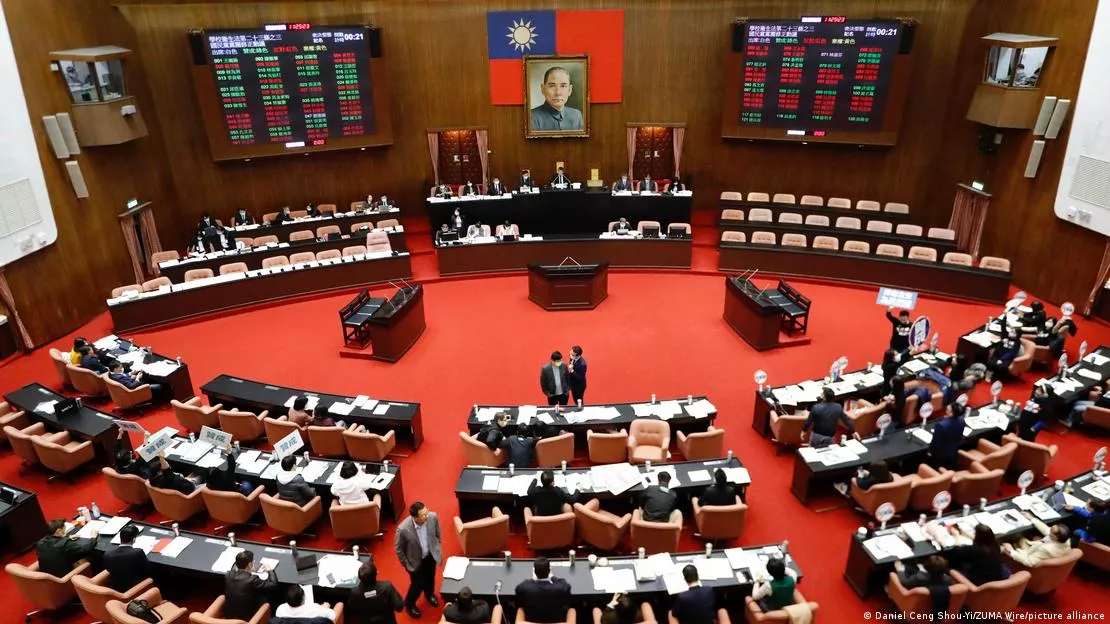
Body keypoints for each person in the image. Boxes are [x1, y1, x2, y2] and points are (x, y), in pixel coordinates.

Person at [394, 501, 442, 619]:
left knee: (430, 576)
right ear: (415, 517)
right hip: (415, 561)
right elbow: (399, 549)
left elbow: (437, 534)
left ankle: (429, 594)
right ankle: (409, 604)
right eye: (423, 515)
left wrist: (436, 548)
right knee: (417, 584)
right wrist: (406, 564)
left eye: (427, 512)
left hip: (430, 556)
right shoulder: (403, 529)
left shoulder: (432, 517)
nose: (427, 516)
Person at [945, 524, 1011, 585]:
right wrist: (967, 534)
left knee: (954, 563)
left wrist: (956, 536)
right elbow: (983, 540)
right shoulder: (995, 544)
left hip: (982, 579)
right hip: (998, 573)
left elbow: (957, 550)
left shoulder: (975, 550)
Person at [514, 557, 572, 623]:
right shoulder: (560, 588)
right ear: (549, 571)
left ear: (534, 572)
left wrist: (533, 579)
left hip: (532, 619)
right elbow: (566, 586)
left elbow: (518, 590)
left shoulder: (525, 587)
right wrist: (553, 577)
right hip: (555, 619)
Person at [224, 550, 278, 621]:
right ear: (250, 564)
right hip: (247, 617)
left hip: (229, 615)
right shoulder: (252, 579)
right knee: (267, 595)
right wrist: (270, 570)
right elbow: (272, 584)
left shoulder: (228, 575)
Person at [1002, 516, 1072, 566]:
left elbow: (1029, 562)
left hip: (1028, 556)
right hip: (1035, 548)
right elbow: (1046, 530)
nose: (1049, 529)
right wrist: (1031, 518)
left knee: (1003, 546)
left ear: (1055, 537)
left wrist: (1011, 551)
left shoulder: (1046, 549)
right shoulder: (1065, 539)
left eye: (1051, 530)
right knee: (1019, 537)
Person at [530, 66, 583, 132]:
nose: (558, 93)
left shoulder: (576, 115)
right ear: (543, 89)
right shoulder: (532, 117)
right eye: (552, 86)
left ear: (570, 90)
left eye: (563, 86)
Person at [103, 524, 151, 592]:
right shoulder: (138, 552)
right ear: (134, 540)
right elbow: (147, 570)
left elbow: (108, 569)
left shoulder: (107, 554)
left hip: (114, 588)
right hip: (134, 588)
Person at [929, 403, 966, 469]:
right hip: (953, 452)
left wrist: (930, 451)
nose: (946, 410)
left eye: (947, 410)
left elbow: (936, 442)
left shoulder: (941, 425)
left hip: (939, 455)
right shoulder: (962, 421)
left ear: (952, 413)